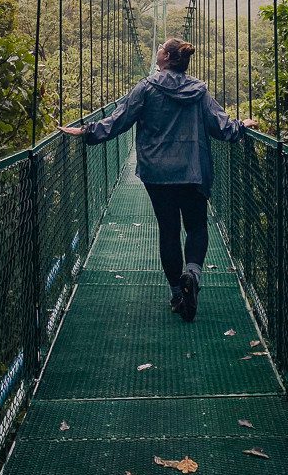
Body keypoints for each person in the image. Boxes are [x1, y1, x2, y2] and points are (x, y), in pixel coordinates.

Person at [59, 37, 256, 321]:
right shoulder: (199, 91)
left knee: (168, 230)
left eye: (160, 49)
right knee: (197, 227)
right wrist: (241, 125)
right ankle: (193, 274)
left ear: (166, 59)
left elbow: (119, 120)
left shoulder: (146, 88)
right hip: (194, 170)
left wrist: (87, 131)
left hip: (158, 172)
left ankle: (178, 292)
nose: (157, 52)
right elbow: (220, 127)